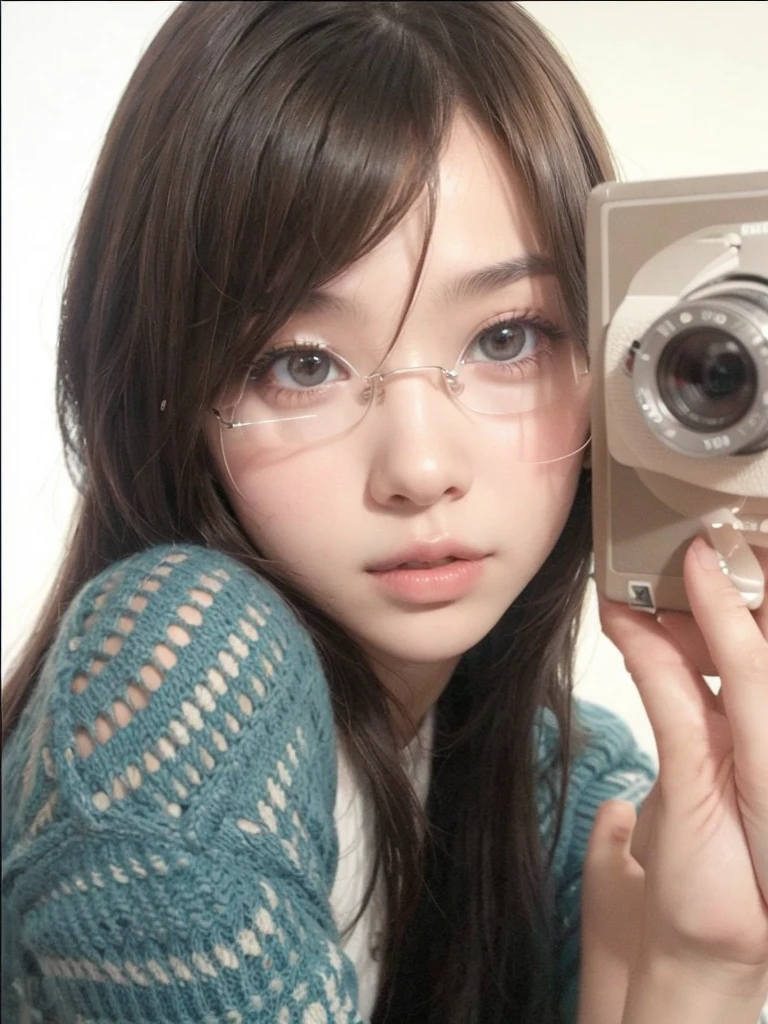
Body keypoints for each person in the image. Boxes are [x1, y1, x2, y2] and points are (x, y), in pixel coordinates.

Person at [2, 3, 766, 1023]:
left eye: (506, 337)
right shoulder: (175, 683)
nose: (418, 464)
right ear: (164, 390)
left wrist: (703, 957)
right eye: (302, 362)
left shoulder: (569, 792)